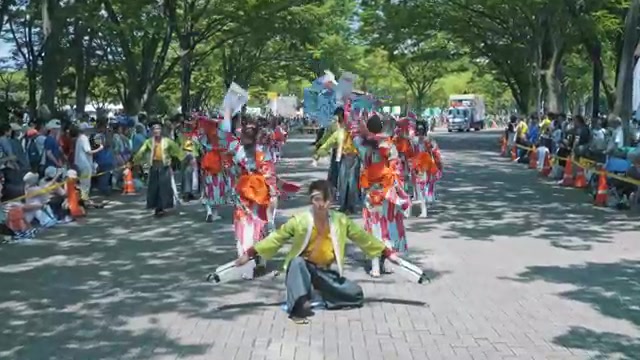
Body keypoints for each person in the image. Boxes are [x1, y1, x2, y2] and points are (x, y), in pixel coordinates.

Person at [235, 179, 402, 324]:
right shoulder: (299, 221)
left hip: (324, 272)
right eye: (316, 200)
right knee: (297, 263)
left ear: (330, 202)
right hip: (302, 269)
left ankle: (321, 293)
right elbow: (276, 239)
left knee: (356, 295)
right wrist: (249, 254)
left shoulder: (340, 220)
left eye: (325, 200)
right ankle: (299, 304)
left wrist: (387, 253)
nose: (321, 204)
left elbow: (364, 238)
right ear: (311, 200)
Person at [133, 121, 185, 216]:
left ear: (161, 131)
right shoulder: (148, 142)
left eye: (158, 129)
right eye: (154, 129)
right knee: (154, 188)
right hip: (154, 167)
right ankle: (157, 207)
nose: (156, 131)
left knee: (164, 188)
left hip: (164, 167)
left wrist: (184, 160)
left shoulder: (167, 141)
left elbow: (177, 150)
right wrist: (134, 161)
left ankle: (162, 207)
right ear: (152, 131)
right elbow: (141, 152)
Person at [72, 123, 103, 203]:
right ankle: (84, 200)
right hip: (85, 164)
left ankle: (83, 200)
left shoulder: (79, 138)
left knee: (82, 183)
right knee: (85, 184)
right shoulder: (84, 138)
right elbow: (88, 151)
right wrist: (99, 148)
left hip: (79, 163)